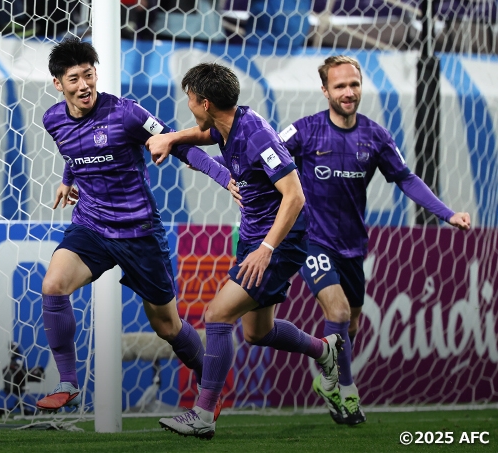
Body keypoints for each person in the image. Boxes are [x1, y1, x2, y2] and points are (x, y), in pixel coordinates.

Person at [35, 37, 238, 414]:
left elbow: (178, 145)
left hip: (138, 232)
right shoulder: (53, 119)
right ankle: (67, 382)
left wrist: (223, 176)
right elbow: (74, 150)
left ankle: (207, 380)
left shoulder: (126, 113)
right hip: (92, 226)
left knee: (167, 327)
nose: (84, 85)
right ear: (58, 84)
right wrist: (67, 179)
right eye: (74, 79)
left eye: (89, 75)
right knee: (53, 285)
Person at [146, 63, 343, 440]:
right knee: (257, 332)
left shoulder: (256, 135)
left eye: (190, 99)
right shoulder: (228, 124)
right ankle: (324, 350)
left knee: (217, 315)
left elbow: (295, 196)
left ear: (205, 102)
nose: (187, 104)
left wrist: (267, 249)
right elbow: (203, 135)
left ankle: (204, 413)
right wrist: (171, 138)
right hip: (254, 238)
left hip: (278, 243)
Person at [278, 55, 471, 425]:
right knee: (337, 313)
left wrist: (447, 214)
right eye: (340, 86)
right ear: (325, 91)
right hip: (312, 240)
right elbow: (267, 157)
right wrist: (235, 182)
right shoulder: (303, 131)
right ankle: (345, 391)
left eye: (354, 84)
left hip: (353, 245)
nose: (348, 92)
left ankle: (330, 382)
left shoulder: (376, 136)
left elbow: (406, 178)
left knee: (350, 326)